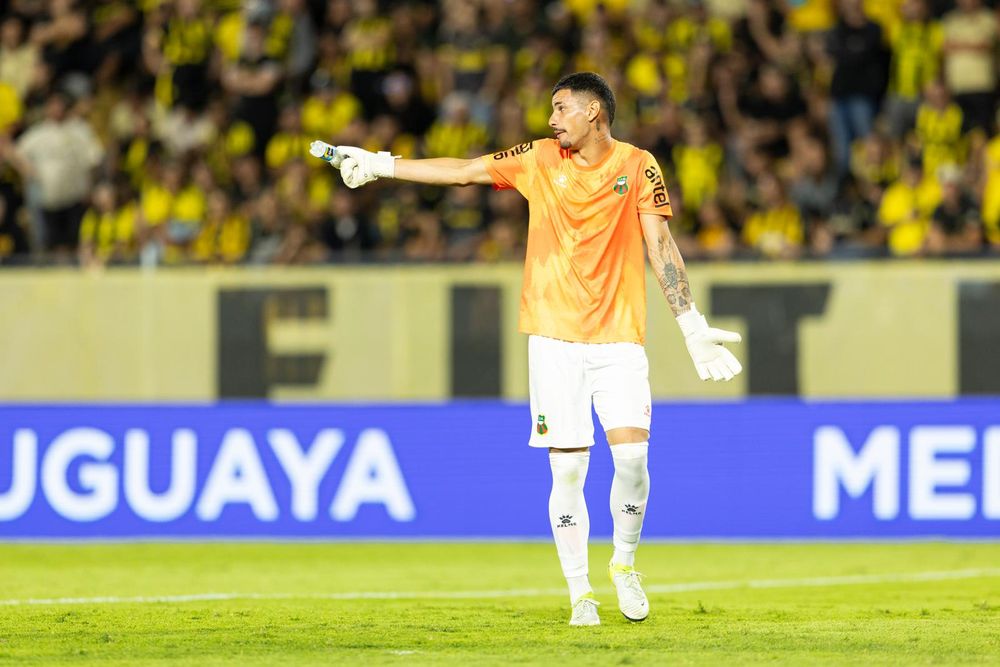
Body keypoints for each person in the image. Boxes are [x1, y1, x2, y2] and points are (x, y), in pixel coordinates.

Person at [310, 72, 742, 626]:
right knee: (569, 474)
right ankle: (581, 593)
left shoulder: (638, 165)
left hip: (619, 339)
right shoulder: (539, 158)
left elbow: (660, 242)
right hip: (553, 340)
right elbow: (465, 172)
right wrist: (380, 164)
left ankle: (624, 564)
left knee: (633, 463)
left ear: (594, 112)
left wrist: (691, 323)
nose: (552, 118)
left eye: (561, 108)